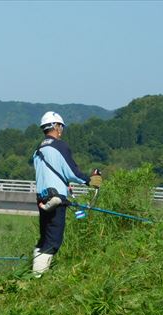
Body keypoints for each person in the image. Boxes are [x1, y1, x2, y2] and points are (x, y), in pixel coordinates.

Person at [32, 111, 102, 277]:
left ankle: (32, 275)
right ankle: (37, 279)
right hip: (56, 199)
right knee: (53, 241)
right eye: (60, 126)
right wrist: (89, 180)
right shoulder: (59, 146)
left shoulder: (38, 150)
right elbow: (72, 172)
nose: (61, 130)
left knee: (44, 238)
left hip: (42, 200)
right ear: (56, 126)